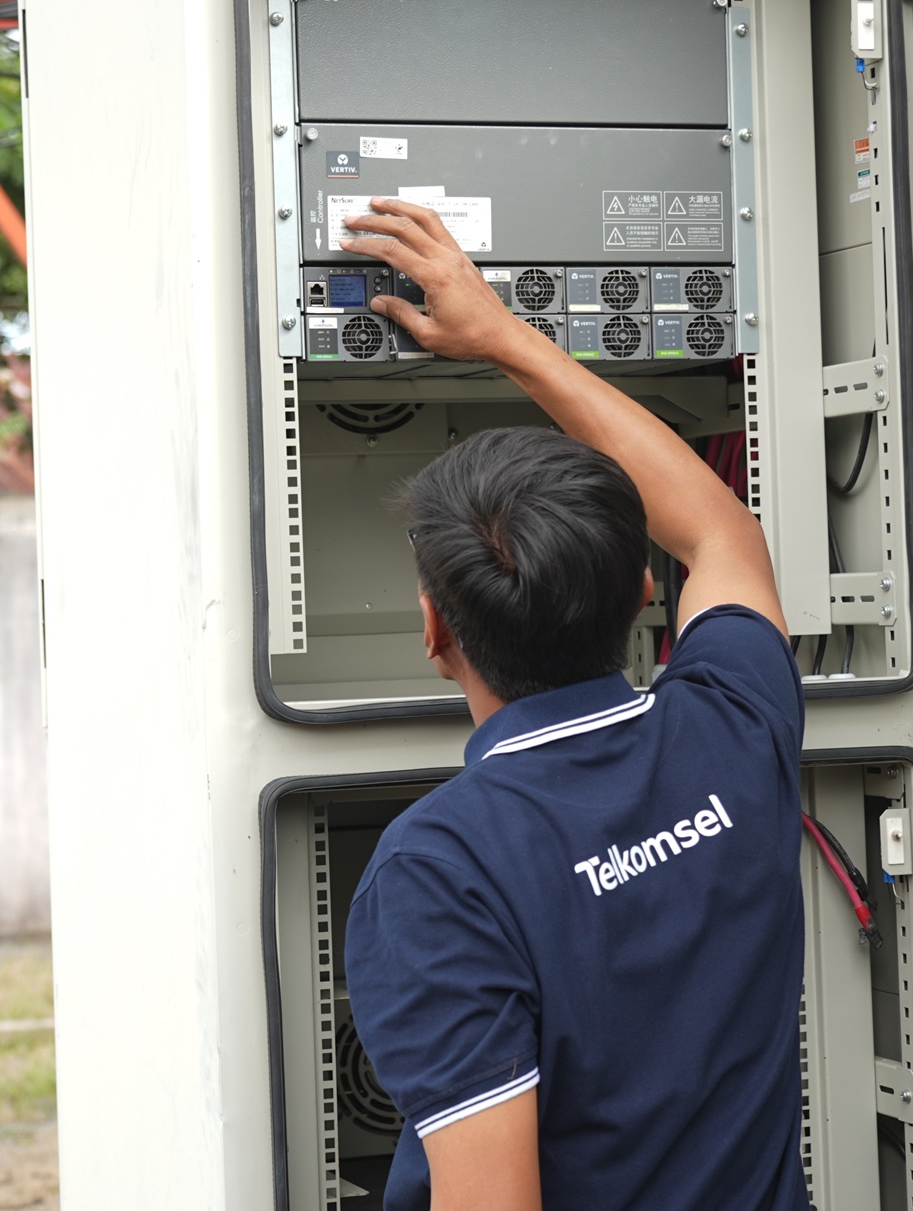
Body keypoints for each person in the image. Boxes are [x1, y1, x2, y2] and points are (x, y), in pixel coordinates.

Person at [337, 197, 808, 1211]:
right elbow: (719, 533)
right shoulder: (730, 727)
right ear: (643, 591)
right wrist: (505, 336)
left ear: (435, 628)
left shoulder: (440, 869)